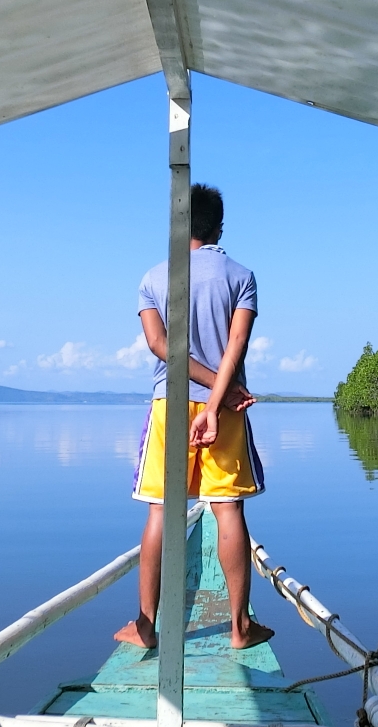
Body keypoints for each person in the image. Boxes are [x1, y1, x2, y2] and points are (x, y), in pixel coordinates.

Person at [115, 184, 274, 652]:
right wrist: (217, 401)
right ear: (219, 226)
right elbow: (236, 345)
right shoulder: (241, 275)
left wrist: (206, 396)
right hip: (225, 405)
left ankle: (146, 626)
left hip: (171, 403)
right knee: (228, 510)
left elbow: (161, 346)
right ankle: (240, 627)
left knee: (161, 511)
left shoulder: (152, 278)